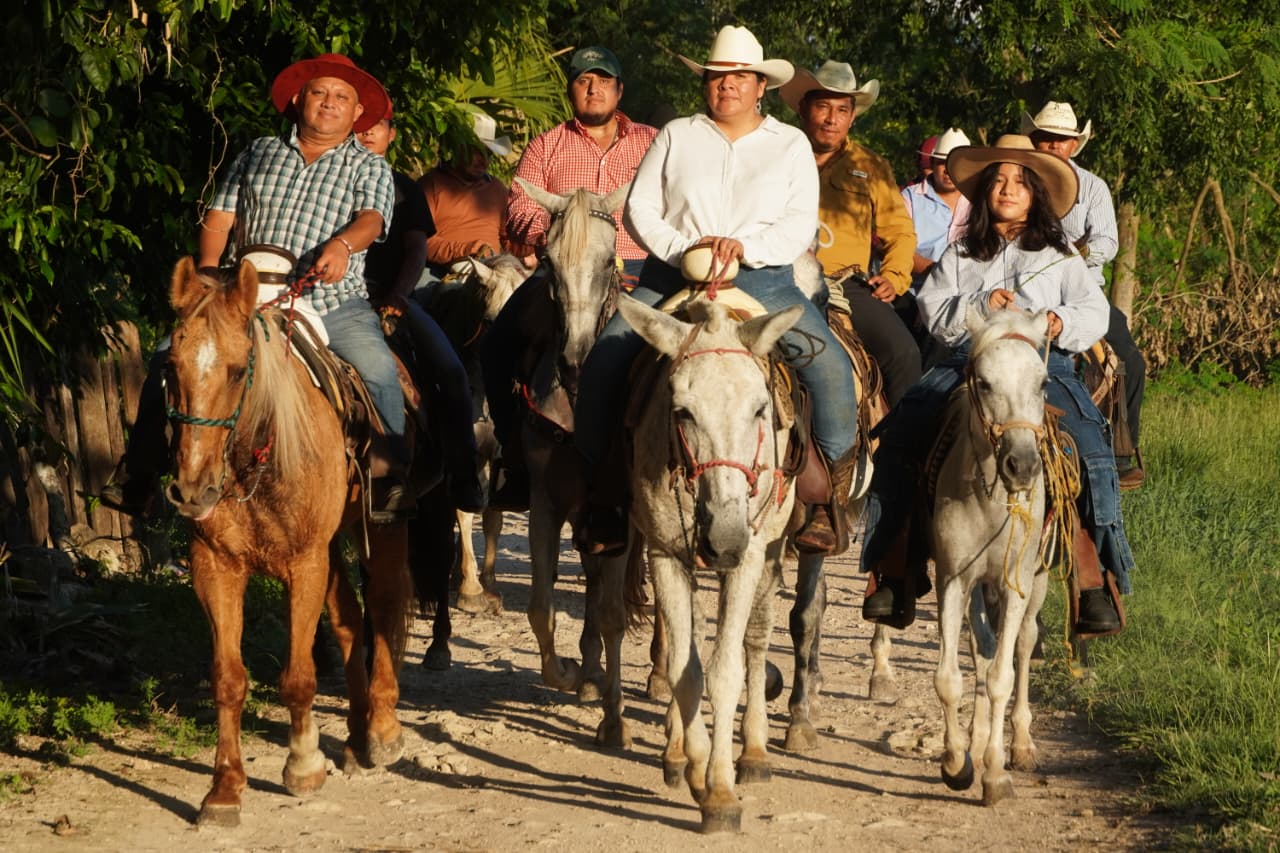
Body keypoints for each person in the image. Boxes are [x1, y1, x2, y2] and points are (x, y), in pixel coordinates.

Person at [573, 26, 860, 555]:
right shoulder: (677, 134)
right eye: (716, 76)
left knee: (830, 368)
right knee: (605, 364)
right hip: (674, 277)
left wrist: (743, 248)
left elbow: (799, 224)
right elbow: (640, 209)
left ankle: (824, 499)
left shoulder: (789, 143)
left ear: (760, 86)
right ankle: (604, 496)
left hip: (762, 279)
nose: (725, 85)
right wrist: (686, 248)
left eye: (738, 77)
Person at [101, 54, 408, 521]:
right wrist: (206, 271)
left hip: (329, 302)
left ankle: (387, 482)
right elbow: (221, 217)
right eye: (320, 93)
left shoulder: (368, 166)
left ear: (356, 114)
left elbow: (372, 219)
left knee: (379, 371)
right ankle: (139, 474)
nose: (329, 103)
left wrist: (344, 246)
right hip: (241, 301)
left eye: (341, 97)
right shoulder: (258, 151)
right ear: (299, 99)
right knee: (169, 358)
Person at [859, 134, 1132, 634]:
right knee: (903, 433)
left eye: (1020, 182)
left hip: (1043, 368)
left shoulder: (1061, 253)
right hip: (967, 362)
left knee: (1090, 446)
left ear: (1037, 193)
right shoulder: (962, 253)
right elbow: (934, 312)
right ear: (985, 192)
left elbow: (1093, 310)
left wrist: (1053, 321)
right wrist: (982, 309)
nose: (1008, 189)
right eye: (999, 181)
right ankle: (895, 567)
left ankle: (1094, 578)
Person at [481, 46, 657, 510]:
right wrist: (549, 235)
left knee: (674, 356)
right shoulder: (546, 144)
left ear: (620, 90)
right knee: (496, 345)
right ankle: (516, 458)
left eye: (603, 79)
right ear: (571, 90)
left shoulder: (654, 143)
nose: (593, 87)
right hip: (560, 273)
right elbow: (519, 204)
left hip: (638, 270)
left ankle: (656, 461)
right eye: (583, 80)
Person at [356, 100, 484, 512]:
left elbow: (416, 250)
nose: (368, 131)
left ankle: (463, 474)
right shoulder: (329, 179)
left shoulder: (404, 188)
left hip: (389, 296)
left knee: (450, 370)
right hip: (330, 297)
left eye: (378, 125)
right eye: (361, 125)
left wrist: (399, 294)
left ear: (392, 134)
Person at [779, 61, 921, 407]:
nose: (832, 119)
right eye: (823, 107)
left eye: (842, 110)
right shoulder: (776, 152)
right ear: (803, 108)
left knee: (904, 355)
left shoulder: (871, 166)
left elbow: (900, 232)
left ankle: (897, 454)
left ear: (853, 116)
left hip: (845, 284)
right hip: (776, 276)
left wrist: (893, 276)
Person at [1023, 101, 1146, 489]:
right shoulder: (1016, 181)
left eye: (1062, 141)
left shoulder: (1093, 186)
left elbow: (1108, 240)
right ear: (1034, 141)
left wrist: (1075, 253)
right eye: (1047, 140)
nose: (1054, 147)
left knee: (1130, 360)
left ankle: (1122, 453)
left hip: (1082, 291)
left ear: (1075, 145)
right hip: (1025, 289)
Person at [418, 109, 513, 277]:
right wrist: (465, 250)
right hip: (439, 272)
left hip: (493, 271)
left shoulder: (497, 188)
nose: (484, 160)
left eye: (489, 153)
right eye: (477, 152)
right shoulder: (430, 185)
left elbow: (509, 239)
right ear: (457, 149)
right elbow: (420, 242)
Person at [901, 127, 972, 289]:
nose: (948, 170)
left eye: (955, 163)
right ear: (932, 164)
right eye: (942, 163)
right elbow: (899, 247)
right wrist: (937, 272)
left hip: (968, 290)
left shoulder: (979, 201)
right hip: (916, 290)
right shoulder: (910, 197)